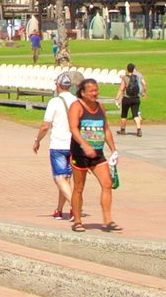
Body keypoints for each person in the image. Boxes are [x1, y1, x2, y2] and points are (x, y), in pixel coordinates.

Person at [67, 77, 120, 231]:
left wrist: (113, 149)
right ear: (82, 93)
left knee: (107, 184)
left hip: (97, 154)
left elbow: (106, 129)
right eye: (91, 91)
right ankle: (77, 221)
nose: (95, 93)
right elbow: (73, 128)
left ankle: (107, 220)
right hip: (80, 154)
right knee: (79, 187)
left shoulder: (100, 107)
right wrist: (85, 145)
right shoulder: (76, 107)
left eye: (96, 90)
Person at [35, 73, 78, 219]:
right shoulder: (76, 101)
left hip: (58, 145)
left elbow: (45, 126)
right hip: (73, 145)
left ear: (58, 85)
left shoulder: (54, 102)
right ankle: (59, 210)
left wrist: (37, 140)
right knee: (66, 179)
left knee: (59, 178)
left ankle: (75, 206)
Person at [117, 62, 146, 137]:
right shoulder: (137, 77)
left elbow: (121, 89)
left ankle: (122, 129)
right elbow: (143, 84)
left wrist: (117, 97)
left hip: (127, 98)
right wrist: (143, 92)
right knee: (135, 115)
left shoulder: (125, 78)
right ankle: (139, 130)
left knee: (124, 115)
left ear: (127, 69)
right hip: (136, 98)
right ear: (133, 69)